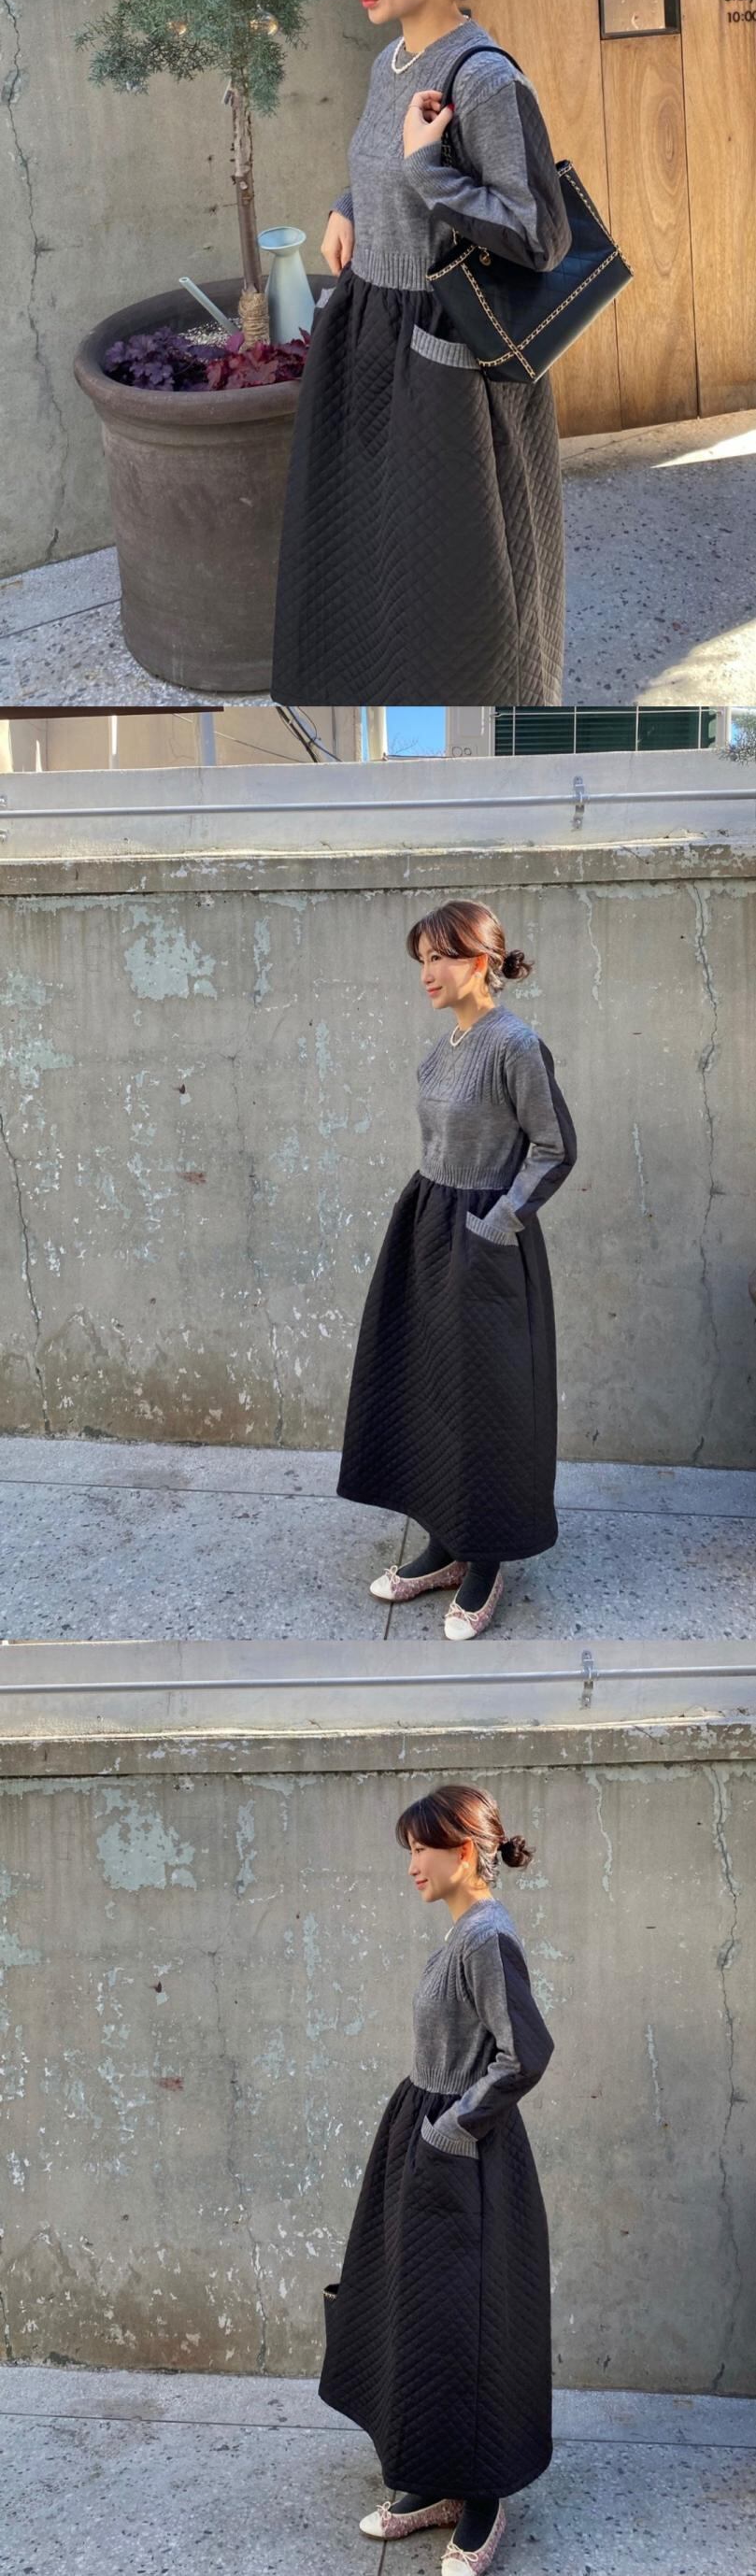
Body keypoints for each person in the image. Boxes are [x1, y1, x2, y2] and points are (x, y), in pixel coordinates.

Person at [270, 0, 570, 702]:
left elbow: (538, 235)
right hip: (371, 333)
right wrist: (350, 205)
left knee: (454, 585)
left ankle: (486, 745)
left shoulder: (485, 79)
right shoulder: (390, 63)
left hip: (448, 358)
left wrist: (426, 170)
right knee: (374, 557)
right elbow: (388, 162)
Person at [320, 1779, 554, 2573]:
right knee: (422, 2317)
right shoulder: (463, 1932)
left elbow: (524, 2054)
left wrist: (449, 2131)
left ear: (462, 1851)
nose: (411, 1864)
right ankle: (435, 2479)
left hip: (465, 2158)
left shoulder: (486, 1936)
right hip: (427, 2141)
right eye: (409, 1850)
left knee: (471, 2323)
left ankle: (482, 2497)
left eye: (421, 1848)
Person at [337, 898, 577, 1639]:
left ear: (479, 960)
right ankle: (444, 1544)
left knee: (489, 1402)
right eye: (421, 961)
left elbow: (554, 1147)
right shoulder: (447, 1044)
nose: (426, 974)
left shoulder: (515, 1045)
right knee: (431, 1391)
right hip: (426, 1228)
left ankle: (485, 1560)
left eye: (438, 958)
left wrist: (496, 1225)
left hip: (483, 1239)